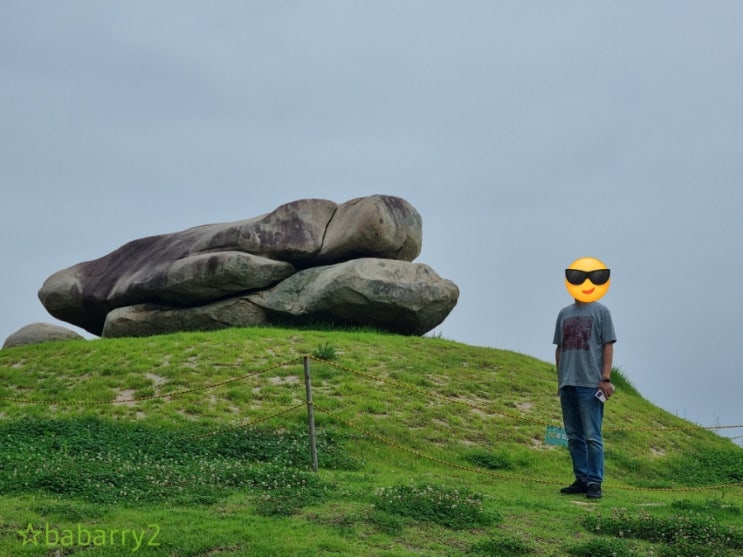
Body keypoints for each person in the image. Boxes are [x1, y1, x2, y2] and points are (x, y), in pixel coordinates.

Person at [553, 259, 617, 499]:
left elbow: (607, 345)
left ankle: (595, 482)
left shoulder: (602, 312)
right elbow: (559, 348)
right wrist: (560, 380)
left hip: (591, 384)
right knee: (573, 436)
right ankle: (581, 478)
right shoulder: (563, 314)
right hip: (568, 384)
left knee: (592, 435)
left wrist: (605, 378)